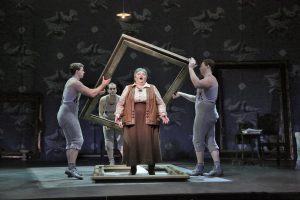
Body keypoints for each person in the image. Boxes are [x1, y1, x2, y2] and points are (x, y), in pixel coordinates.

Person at [57, 63, 110, 180]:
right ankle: (71, 168)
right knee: (78, 140)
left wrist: (98, 91)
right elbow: (91, 93)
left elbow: (90, 92)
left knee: (70, 142)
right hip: (67, 114)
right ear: (77, 71)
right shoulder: (74, 82)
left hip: (65, 113)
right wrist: (103, 84)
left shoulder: (72, 82)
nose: (84, 72)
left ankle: (71, 168)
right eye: (82, 70)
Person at [173, 58, 223, 177]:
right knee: (210, 140)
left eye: (201, 66)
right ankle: (217, 167)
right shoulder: (206, 80)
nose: (200, 68)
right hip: (208, 114)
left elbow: (196, 83)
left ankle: (200, 167)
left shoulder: (211, 79)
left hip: (205, 114)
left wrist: (190, 68)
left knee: (197, 139)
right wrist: (181, 94)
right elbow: (196, 98)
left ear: (208, 66)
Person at [115, 68, 169, 175]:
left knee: (150, 143)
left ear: (146, 77)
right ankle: (133, 168)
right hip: (132, 119)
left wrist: (162, 114)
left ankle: (151, 168)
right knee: (132, 142)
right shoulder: (128, 88)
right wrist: (118, 115)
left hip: (149, 119)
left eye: (143, 74)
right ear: (135, 77)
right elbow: (121, 103)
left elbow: (160, 103)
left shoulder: (152, 88)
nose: (141, 75)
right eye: (138, 74)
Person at [99, 82, 123, 165]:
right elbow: (100, 114)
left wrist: (121, 122)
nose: (112, 90)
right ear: (107, 90)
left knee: (121, 142)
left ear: (116, 90)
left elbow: (124, 113)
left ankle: (125, 160)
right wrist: (105, 123)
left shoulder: (120, 99)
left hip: (118, 121)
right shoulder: (103, 99)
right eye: (110, 89)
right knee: (108, 142)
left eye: (114, 89)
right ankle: (111, 161)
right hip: (107, 121)